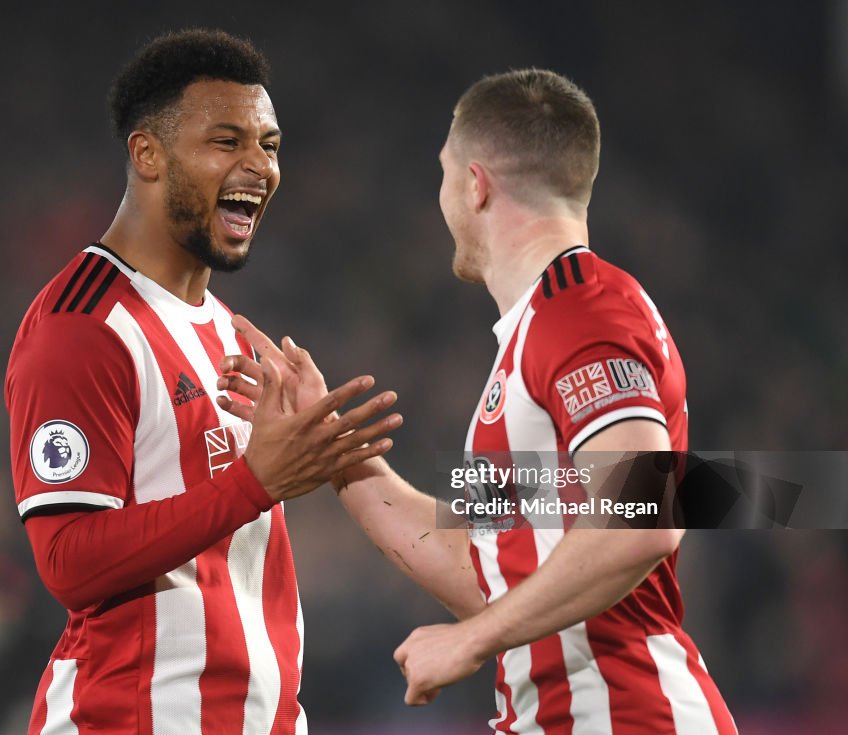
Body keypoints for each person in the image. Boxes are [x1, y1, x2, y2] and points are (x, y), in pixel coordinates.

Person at [217, 69, 738, 733]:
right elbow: (489, 572)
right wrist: (335, 453)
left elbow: (641, 514)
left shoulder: (583, 311)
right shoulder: (530, 337)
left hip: (628, 715)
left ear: (475, 183)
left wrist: (471, 638)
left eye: (443, 174)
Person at [4, 29, 401, 735]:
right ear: (147, 153)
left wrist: (338, 459)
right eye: (229, 142)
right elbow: (67, 559)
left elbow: (642, 509)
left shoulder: (224, 327)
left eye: (270, 145)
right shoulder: (83, 324)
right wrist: (261, 480)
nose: (261, 166)